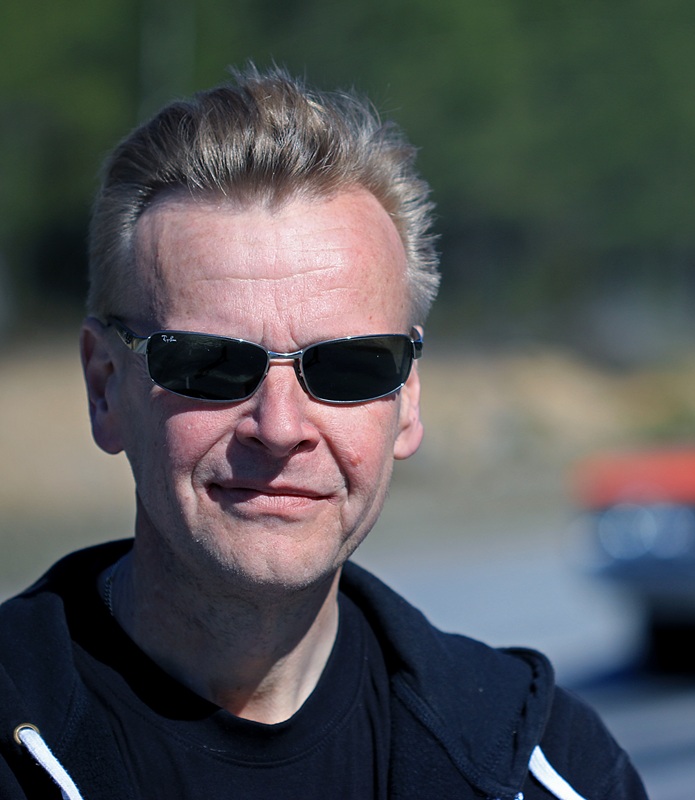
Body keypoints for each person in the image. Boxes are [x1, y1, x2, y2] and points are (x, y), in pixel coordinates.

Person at [0, 66, 647, 800]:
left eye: (348, 367)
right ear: (105, 388)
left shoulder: (548, 765)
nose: (279, 428)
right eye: (210, 364)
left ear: (407, 399)